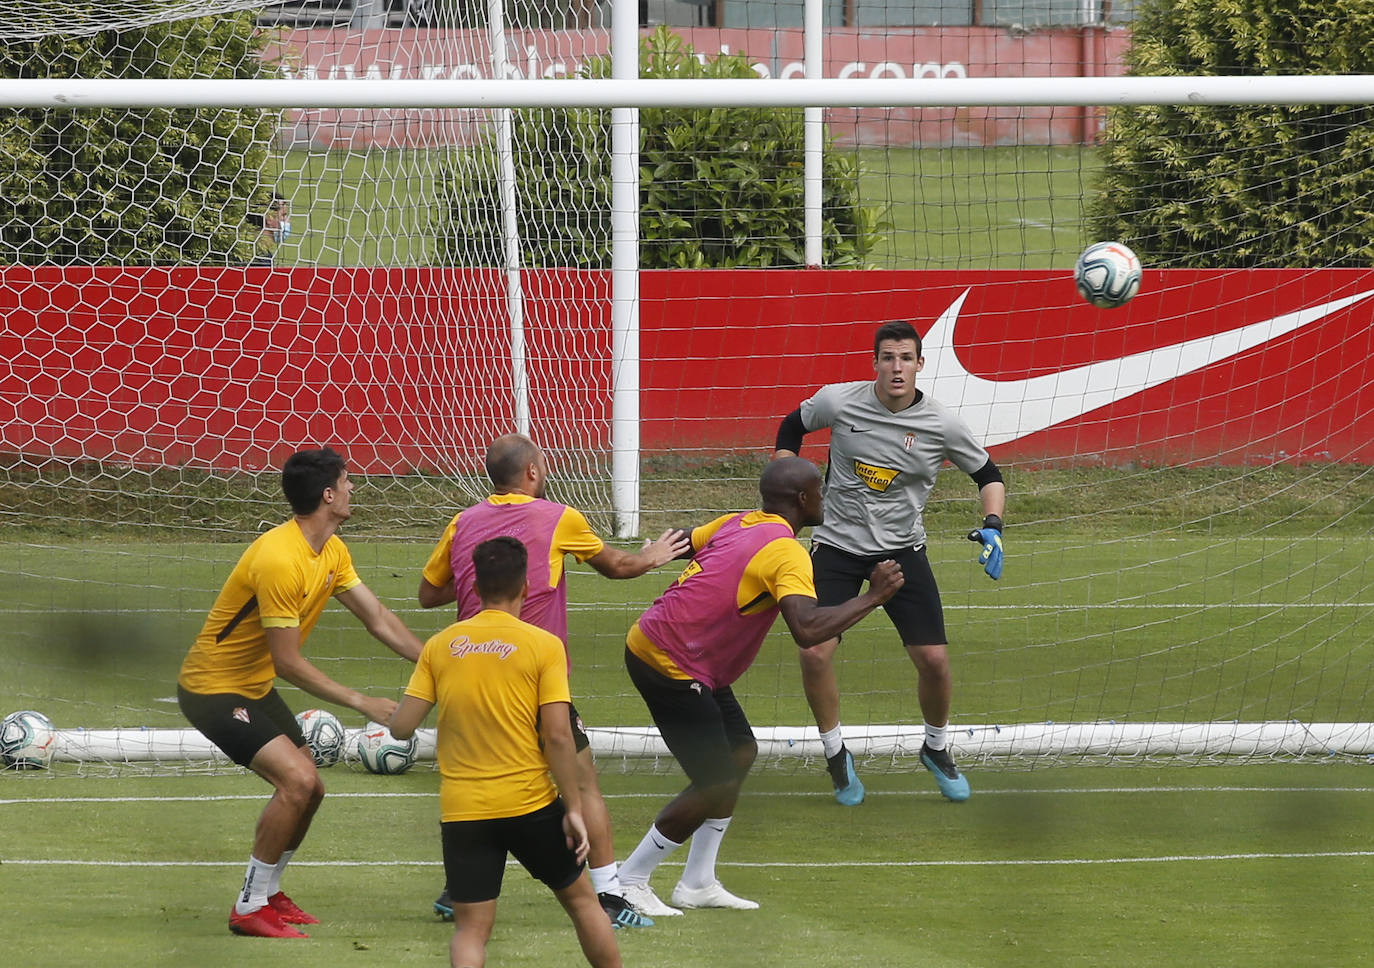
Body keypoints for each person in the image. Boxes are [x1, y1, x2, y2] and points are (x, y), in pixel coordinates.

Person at [417, 433, 690, 928]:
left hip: (469, 684)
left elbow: (428, 593)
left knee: (483, 780)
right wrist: (654, 556)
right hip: (532, 684)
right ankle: (608, 894)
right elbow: (618, 566)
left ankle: (459, 889)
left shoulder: (462, 523)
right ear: (532, 473)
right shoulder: (560, 517)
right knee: (582, 783)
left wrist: (478, 584)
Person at [615, 457, 904, 917]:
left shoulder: (738, 522)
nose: (824, 499)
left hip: (686, 657)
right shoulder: (787, 553)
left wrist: (662, 552)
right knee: (715, 781)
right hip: (669, 662)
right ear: (804, 500)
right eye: (820, 492)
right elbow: (807, 630)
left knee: (740, 752)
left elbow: (691, 540)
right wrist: (873, 597)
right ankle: (627, 881)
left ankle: (697, 882)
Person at [177, 446, 425, 939]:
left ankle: (268, 892)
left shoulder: (331, 549)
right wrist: (361, 702)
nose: (355, 488)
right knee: (295, 782)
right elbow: (288, 661)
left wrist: (435, 661)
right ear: (328, 494)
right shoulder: (279, 558)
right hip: (212, 689)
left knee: (311, 787)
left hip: (253, 687)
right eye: (348, 481)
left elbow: (376, 617)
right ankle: (248, 906)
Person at [773, 319, 1007, 806]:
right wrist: (783, 480)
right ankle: (836, 754)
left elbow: (988, 474)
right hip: (835, 547)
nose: (896, 367)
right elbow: (792, 425)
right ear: (874, 363)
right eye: (887, 358)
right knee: (813, 651)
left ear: (920, 364)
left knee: (935, 662)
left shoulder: (942, 424)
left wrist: (993, 525)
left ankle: (937, 749)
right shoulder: (841, 402)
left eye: (906, 358)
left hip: (902, 552)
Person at [390, 537, 622, 968]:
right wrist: (572, 807)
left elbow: (402, 726)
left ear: (474, 590)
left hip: (465, 811)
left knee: (471, 930)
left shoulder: (441, 646)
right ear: (527, 588)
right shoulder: (543, 646)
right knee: (584, 905)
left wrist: (388, 710)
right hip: (530, 805)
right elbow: (556, 736)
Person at [248, 193, 291, 266]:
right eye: (283, 215)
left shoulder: (244, 250)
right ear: (269, 218)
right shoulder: (261, 259)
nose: (288, 220)